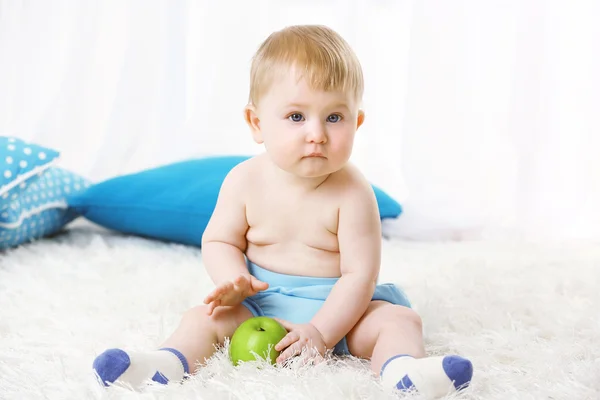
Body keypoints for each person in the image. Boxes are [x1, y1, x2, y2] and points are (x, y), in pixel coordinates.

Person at [92, 24, 473, 398]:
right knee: (202, 318)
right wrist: (234, 279)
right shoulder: (244, 180)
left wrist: (322, 333)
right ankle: (164, 364)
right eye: (296, 117)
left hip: (342, 312)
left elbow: (360, 276)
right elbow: (219, 239)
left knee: (400, 320)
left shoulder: (355, 193)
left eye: (335, 118)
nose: (317, 133)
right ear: (257, 123)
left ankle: (403, 371)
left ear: (357, 122)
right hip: (259, 306)